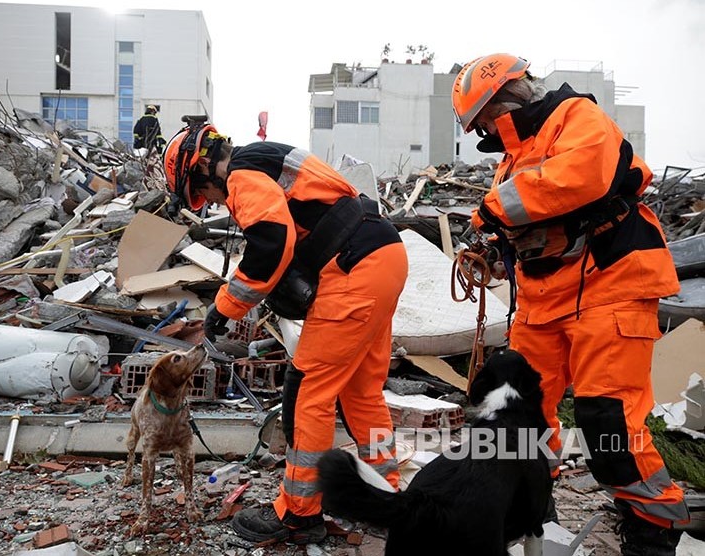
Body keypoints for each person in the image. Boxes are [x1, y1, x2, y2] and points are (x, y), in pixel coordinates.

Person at [452, 53, 689, 555]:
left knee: (608, 421)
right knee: (517, 415)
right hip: (542, 299)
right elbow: (519, 222)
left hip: (611, 281)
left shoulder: (576, 117)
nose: (485, 136)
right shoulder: (513, 160)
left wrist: (491, 213)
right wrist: (494, 249)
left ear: (502, 101)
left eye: (484, 124)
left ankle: (652, 531)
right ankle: (533, 506)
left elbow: (579, 179)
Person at [162, 119, 408, 544]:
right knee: (361, 392)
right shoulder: (266, 157)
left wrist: (224, 307)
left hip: (351, 271)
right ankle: (386, 498)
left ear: (203, 169)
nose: (214, 203)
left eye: (204, 195)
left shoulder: (240, 174)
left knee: (309, 392)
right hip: (382, 257)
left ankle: (299, 514)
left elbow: (273, 241)